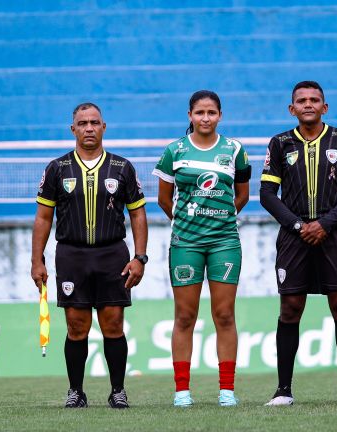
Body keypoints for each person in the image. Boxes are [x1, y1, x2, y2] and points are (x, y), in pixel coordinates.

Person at [31, 102, 148, 409]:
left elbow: (138, 215)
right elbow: (43, 218)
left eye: (94, 122)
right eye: (82, 123)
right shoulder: (57, 168)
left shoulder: (122, 167)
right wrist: (36, 260)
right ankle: (75, 391)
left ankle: (118, 390)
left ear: (104, 127)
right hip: (72, 255)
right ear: (73, 129)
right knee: (76, 325)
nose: (89, 128)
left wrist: (140, 257)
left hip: (112, 254)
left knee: (113, 324)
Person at [260, 80, 337, 406]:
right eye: (302, 101)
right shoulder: (279, 143)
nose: (308, 104)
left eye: (315, 100)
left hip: (334, 233)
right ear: (292, 109)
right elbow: (266, 194)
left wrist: (325, 223)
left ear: (325, 107)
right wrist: (298, 225)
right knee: (290, 308)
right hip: (294, 236)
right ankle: (283, 390)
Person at [152, 90, 251, 407]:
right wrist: (188, 223)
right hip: (186, 243)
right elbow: (164, 200)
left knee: (224, 315)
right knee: (184, 316)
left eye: (211, 112)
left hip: (224, 242)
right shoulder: (174, 151)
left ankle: (227, 391)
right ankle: (182, 392)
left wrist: (218, 218)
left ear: (220, 115)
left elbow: (243, 195)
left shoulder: (234, 150)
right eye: (199, 113)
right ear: (190, 116)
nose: (205, 118)